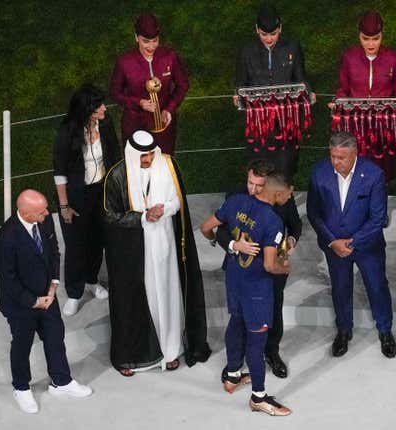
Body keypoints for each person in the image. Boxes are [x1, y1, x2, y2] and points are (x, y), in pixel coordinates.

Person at [103, 130, 211, 376]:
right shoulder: (118, 175)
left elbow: (177, 200)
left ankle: (170, 350)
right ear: (133, 155)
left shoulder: (168, 166)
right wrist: (143, 217)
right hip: (135, 253)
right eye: (143, 156)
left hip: (166, 246)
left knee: (169, 295)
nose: (149, 159)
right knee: (143, 299)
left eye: (152, 154)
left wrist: (165, 209)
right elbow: (110, 216)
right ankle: (136, 355)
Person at [201, 173, 293, 416]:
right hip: (257, 289)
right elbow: (269, 265)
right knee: (257, 339)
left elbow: (205, 228)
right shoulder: (272, 221)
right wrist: (285, 268)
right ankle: (259, 398)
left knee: (236, 321)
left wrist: (230, 247)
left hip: (234, 279)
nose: (289, 198)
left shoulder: (235, 202)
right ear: (278, 194)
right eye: (287, 194)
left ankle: (232, 377)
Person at [0, 190, 92, 414]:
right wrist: (34, 301)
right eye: (41, 211)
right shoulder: (5, 239)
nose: (47, 213)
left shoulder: (45, 222)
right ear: (26, 214)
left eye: (46, 208)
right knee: (22, 345)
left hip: (48, 296)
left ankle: (61, 381)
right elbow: (8, 280)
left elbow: (55, 253)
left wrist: (54, 286)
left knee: (55, 337)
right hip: (20, 304)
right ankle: (21, 387)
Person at [306, 131, 396, 359]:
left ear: (355, 153)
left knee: (377, 287)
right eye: (333, 156)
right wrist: (332, 242)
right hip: (334, 246)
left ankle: (385, 331)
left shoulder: (374, 175)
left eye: (341, 157)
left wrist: (353, 242)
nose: (336, 162)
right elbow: (314, 213)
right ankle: (343, 331)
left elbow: (378, 218)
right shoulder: (319, 173)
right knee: (340, 288)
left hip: (368, 247)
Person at [215, 159, 301, 379]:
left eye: (259, 185)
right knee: (239, 317)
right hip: (241, 270)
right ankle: (236, 361)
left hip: (271, 271)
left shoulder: (281, 197)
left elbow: (295, 224)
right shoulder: (236, 197)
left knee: (273, 312)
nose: (253, 189)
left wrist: (290, 240)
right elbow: (220, 231)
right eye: (250, 183)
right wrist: (235, 245)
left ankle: (271, 353)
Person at [53, 84, 121, 316]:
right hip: (75, 197)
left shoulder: (106, 123)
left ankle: (92, 280)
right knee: (75, 246)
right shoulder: (67, 131)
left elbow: (115, 155)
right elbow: (60, 171)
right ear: (86, 109)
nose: (104, 108)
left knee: (98, 241)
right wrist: (64, 206)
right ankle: (74, 292)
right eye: (98, 106)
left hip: (101, 193)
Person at [235, 4, 314, 179]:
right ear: (256, 29)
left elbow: (301, 78)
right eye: (264, 34)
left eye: (273, 34)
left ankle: (285, 196)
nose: (269, 39)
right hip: (259, 123)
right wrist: (237, 95)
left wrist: (309, 92)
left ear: (280, 28)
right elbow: (241, 83)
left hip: (287, 121)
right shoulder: (247, 51)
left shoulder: (292, 47)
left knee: (285, 168)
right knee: (259, 169)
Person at [332, 10, 396, 183]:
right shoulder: (349, 57)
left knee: (384, 167)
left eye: (376, 38)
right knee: (357, 166)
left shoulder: (393, 58)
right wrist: (337, 102)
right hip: (357, 123)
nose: (371, 43)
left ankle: (380, 206)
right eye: (366, 39)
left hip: (384, 123)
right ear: (359, 36)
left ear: (382, 36)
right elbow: (343, 88)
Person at [110, 13, 188, 154]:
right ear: (136, 38)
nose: (151, 46)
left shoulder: (170, 56)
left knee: (164, 165)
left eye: (155, 40)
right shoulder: (125, 62)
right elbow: (115, 92)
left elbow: (183, 85)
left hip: (164, 127)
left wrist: (169, 109)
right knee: (137, 166)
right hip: (135, 124)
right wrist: (138, 102)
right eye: (146, 41)